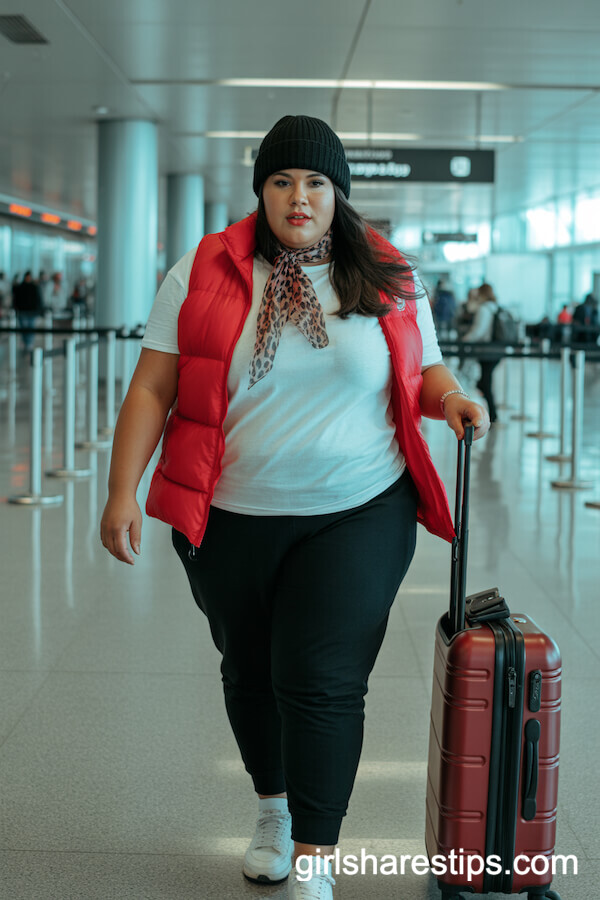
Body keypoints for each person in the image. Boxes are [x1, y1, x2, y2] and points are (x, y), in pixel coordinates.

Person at [100, 115, 489, 900]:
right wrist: (121, 491)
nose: (298, 197)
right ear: (261, 191)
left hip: (358, 509)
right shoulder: (202, 268)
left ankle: (315, 854)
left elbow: (424, 373)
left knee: (320, 677)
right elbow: (153, 385)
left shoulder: (385, 271)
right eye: (281, 181)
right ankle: (272, 810)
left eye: (315, 182)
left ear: (338, 192)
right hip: (230, 514)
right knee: (249, 673)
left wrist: (453, 399)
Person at [462, 282, 500, 423]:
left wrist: (465, 339)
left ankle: (493, 414)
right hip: (496, 349)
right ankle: (492, 413)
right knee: (485, 381)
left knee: (485, 382)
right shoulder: (494, 307)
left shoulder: (484, 309)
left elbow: (479, 330)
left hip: (487, 350)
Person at [12, 270, 43, 351]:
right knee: (25, 328)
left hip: (31, 312)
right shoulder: (21, 287)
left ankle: (29, 343)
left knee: (30, 328)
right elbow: (16, 299)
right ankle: (27, 343)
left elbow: (38, 299)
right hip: (23, 311)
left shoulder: (33, 287)